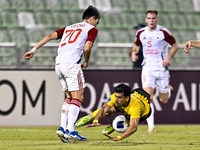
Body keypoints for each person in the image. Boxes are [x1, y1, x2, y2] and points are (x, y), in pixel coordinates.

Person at [23, 5, 101, 143]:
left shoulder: (69, 28)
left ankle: (62, 128)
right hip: (71, 64)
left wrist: (34, 50)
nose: (97, 24)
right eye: (97, 21)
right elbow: (87, 47)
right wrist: (86, 61)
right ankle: (71, 130)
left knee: (69, 97)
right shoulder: (92, 29)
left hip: (58, 64)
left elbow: (48, 36)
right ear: (92, 19)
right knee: (79, 96)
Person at [131, 10, 178, 134]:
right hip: (147, 68)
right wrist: (133, 53)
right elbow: (136, 46)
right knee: (147, 97)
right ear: (146, 20)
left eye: (153, 18)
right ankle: (151, 127)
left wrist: (168, 58)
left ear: (157, 19)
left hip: (162, 69)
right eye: (149, 18)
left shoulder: (163, 32)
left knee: (164, 100)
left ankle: (169, 89)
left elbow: (175, 45)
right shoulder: (141, 33)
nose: (151, 21)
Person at [75, 84, 151, 141]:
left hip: (144, 111)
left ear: (127, 98)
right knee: (108, 111)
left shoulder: (135, 107)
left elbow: (133, 128)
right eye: (116, 96)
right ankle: (87, 118)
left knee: (128, 122)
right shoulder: (115, 98)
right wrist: (95, 120)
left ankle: (114, 126)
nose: (116, 99)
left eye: (119, 97)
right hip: (132, 98)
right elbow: (104, 108)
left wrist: (119, 137)